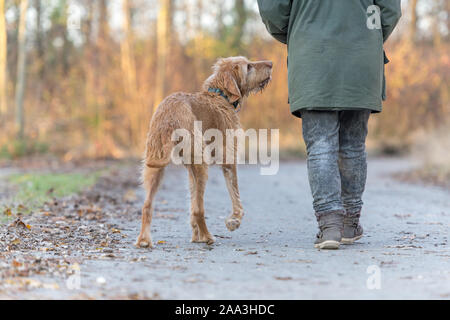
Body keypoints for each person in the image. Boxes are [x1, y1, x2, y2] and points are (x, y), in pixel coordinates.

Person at [257, 0, 402, 249]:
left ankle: (330, 226)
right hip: (361, 55)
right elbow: (390, 11)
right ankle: (349, 223)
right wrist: (369, 35)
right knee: (354, 145)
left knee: (320, 144)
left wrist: (300, 30)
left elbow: (272, 9)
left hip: (312, 54)